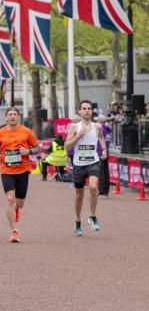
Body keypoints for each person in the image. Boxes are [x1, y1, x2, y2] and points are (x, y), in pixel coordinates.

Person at [0, 107, 39, 243]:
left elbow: (37, 147)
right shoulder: (0, 133)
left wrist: (28, 152)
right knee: (10, 198)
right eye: (10, 115)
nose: (12, 117)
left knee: (20, 203)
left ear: (18, 117)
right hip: (6, 170)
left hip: (22, 170)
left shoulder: (26, 132)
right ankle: (14, 231)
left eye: (15, 114)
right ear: (6, 118)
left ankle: (17, 210)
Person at [64, 100, 107, 237]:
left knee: (94, 187)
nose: (87, 110)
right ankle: (78, 221)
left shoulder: (97, 126)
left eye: (89, 108)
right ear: (80, 111)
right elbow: (67, 147)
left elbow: (100, 137)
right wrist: (78, 136)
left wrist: (104, 150)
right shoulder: (74, 127)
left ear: (91, 111)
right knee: (79, 195)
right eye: (84, 108)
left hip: (93, 162)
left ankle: (93, 216)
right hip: (78, 164)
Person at [97, 115, 112, 198]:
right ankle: (105, 191)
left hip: (100, 153)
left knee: (101, 173)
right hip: (106, 152)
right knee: (105, 173)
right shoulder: (107, 129)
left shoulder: (101, 129)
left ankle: (102, 192)